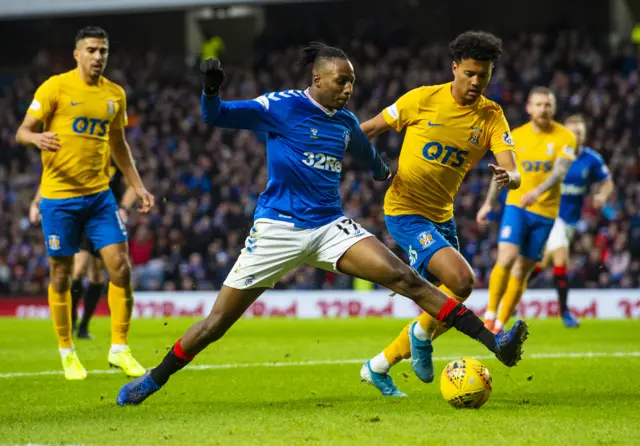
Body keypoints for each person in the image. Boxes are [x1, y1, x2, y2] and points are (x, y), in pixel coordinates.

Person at [117, 42, 528, 406]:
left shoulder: (346, 122)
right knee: (215, 325)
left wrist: (386, 172)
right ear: (318, 79)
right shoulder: (279, 106)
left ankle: (496, 343)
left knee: (407, 279)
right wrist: (210, 91)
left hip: (331, 227)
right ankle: (155, 378)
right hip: (277, 229)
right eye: (341, 82)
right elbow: (217, 116)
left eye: (352, 83)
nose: (349, 90)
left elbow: (371, 159)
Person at [358, 30, 522, 396]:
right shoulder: (422, 99)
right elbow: (367, 129)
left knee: (452, 294)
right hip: (405, 211)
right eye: (470, 73)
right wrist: (334, 155)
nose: (477, 81)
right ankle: (421, 335)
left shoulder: (492, 116)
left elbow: (514, 170)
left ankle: (381, 364)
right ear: (454, 69)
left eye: (484, 74)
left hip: (441, 216)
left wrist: (507, 177)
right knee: (462, 281)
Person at [15, 26, 154, 380]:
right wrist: (37, 138)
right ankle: (67, 350)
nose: (98, 57)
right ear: (77, 54)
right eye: (91, 50)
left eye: (103, 51)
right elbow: (22, 131)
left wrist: (137, 187)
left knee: (120, 266)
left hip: (98, 197)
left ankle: (120, 349)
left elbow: (119, 145)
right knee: (62, 273)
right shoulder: (55, 87)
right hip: (59, 198)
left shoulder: (114, 95)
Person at [478, 87, 576, 333]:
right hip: (517, 206)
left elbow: (560, 171)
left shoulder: (566, 136)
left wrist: (537, 192)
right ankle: (489, 315)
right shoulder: (516, 136)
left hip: (545, 212)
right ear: (529, 108)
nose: (544, 108)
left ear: (553, 108)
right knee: (507, 258)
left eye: (548, 104)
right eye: (539, 104)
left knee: (522, 270)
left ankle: (500, 324)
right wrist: (489, 202)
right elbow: (502, 172)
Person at [29, 165, 137, 339]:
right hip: (81, 215)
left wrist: (124, 208)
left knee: (97, 276)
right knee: (78, 269)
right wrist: (36, 202)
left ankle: (84, 326)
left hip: (104, 217)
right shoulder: (79, 151)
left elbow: (132, 183)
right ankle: (71, 321)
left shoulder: (115, 156)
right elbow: (51, 175)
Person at [535, 114, 613, 327]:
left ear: (585, 134)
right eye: (571, 132)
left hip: (570, 221)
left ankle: (514, 288)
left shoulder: (591, 159)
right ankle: (566, 313)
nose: (575, 136)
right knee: (561, 257)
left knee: (543, 262)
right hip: (550, 214)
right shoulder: (554, 155)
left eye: (579, 132)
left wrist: (602, 196)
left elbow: (607, 182)